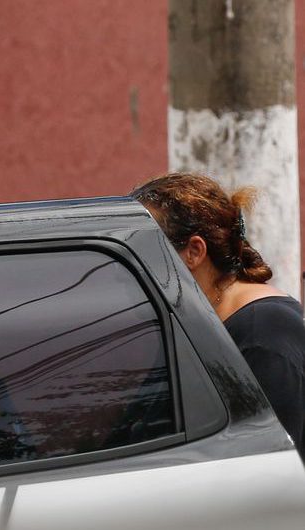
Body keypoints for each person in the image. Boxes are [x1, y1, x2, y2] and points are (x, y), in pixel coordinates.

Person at [131, 172, 305, 459]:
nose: (134, 270)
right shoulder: (202, 324)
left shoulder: (264, 335)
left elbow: (271, 468)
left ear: (194, 251)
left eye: (143, 251)